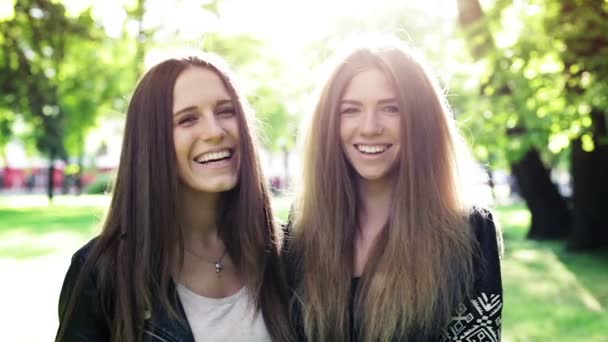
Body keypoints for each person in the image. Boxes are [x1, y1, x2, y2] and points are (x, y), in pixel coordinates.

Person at [55, 54, 293, 342]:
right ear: (151, 140)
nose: (215, 132)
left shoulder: (286, 255)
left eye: (226, 111)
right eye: (188, 119)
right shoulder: (102, 275)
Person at [287, 36, 503, 342]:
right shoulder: (301, 229)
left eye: (391, 108)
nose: (370, 127)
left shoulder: (470, 233)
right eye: (350, 110)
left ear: (421, 120)